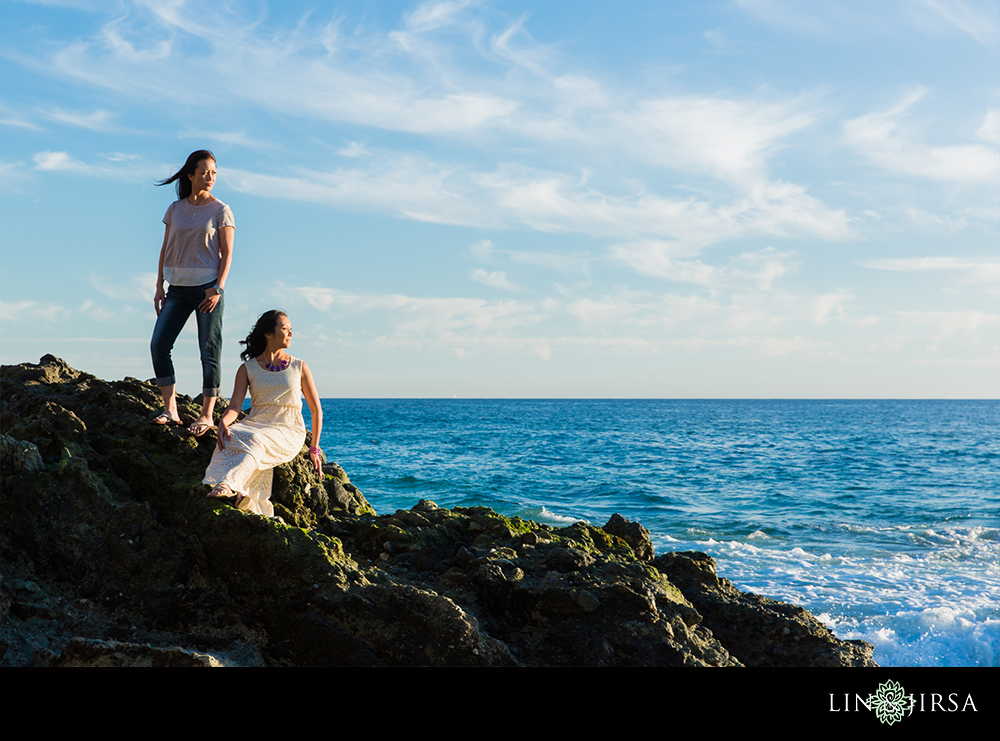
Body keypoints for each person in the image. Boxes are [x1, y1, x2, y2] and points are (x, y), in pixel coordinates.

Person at [203, 310, 324, 516]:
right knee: (235, 434)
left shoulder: (299, 366)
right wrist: (224, 422)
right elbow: (235, 407)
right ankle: (242, 494)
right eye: (285, 329)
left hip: (288, 427)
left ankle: (227, 484)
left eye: (291, 329)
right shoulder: (248, 368)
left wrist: (314, 448)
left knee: (256, 440)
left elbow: (316, 410)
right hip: (256, 422)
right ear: (268, 334)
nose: (290, 333)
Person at [149, 150, 235, 436]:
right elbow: (165, 248)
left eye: (213, 173)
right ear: (191, 175)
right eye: (204, 172)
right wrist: (159, 285)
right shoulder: (175, 209)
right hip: (176, 288)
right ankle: (170, 409)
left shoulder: (221, 210)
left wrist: (218, 288)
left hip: (207, 289)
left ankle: (207, 415)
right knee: (159, 344)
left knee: (209, 351)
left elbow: (228, 255)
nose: (210, 178)